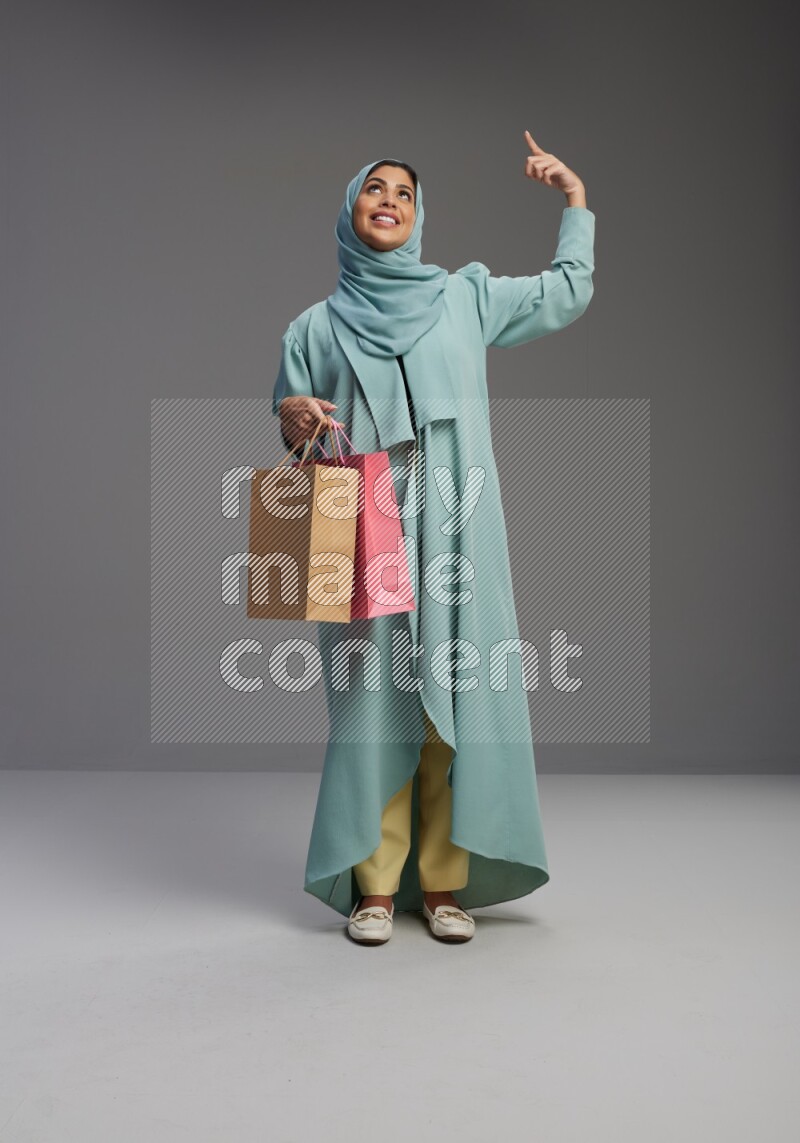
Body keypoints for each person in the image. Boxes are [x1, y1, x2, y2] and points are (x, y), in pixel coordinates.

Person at [273, 132, 595, 944]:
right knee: (375, 704)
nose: (389, 199)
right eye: (374, 188)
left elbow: (566, 290)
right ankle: (376, 887)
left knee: (457, 694)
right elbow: (295, 424)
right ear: (350, 211)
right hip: (362, 527)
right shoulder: (313, 326)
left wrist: (574, 202)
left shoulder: (465, 296)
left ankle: (446, 883)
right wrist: (294, 416)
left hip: (458, 523)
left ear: (419, 217)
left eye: (405, 193)